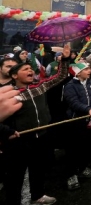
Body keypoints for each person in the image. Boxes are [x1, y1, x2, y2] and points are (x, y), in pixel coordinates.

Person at [2, 44, 71, 205]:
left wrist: (66, 59)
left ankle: (38, 195)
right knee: (15, 176)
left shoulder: (39, 86)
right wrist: (7, 132)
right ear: (14, 75)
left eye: (30, 69)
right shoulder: (7, 93)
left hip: (41, 137)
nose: (30, 71)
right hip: (18, 140)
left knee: (38, 168)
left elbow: (60, 76)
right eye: (25, 69)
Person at [63, 62, 91, 190]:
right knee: (74, 149)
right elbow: (73, 102)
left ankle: (83, 169)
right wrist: (88, 109)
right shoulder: (70, 86)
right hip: (75, 121)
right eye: (86, 69)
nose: (90, 71)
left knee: (87, 146)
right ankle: (71, 175)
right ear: (78, 73)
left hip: (90, 120)